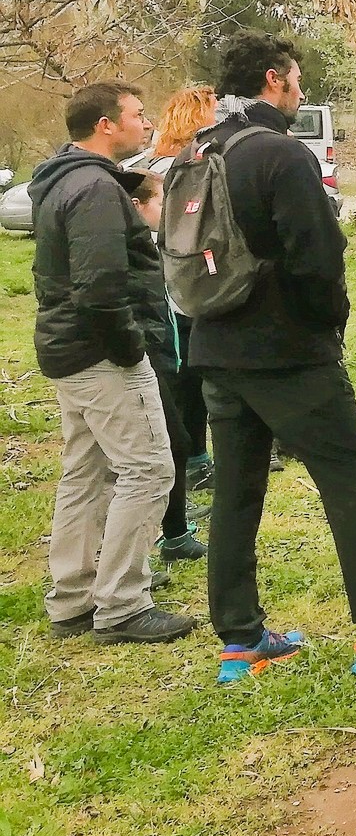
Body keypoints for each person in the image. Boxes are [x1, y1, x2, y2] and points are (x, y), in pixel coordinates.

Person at [189, 31, 356, 684]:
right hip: (289, 353)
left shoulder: (203, 150)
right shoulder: (282, 154)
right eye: (297, 78)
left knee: (236, 491)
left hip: (215, 345)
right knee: (351, 483)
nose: (302, 89)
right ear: (275, 80)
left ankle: (241, 638)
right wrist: (328, 323)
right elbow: (319, 258)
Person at [29, 82, 192, 644]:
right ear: (105, 125)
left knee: (88, 471)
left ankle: (72, 598)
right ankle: (122, 604)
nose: (146, 124)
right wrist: (129, 348)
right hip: (100, 353)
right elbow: (98, 286)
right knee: (150, 469)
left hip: (67, 350)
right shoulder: (94, 189)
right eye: (137, 115)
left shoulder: (63, 180)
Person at [126, 171, 207, 566]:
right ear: (138, 206)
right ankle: (157, 542)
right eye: (160, 202)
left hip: (161, 355)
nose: (166, 210)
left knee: (174, 443)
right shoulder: (132, 248)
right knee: (164, 448)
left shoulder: (150, 245)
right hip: (144, 359)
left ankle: (174, 532)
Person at [147, 85, 218, 493]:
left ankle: (196, 458)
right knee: (187, 378)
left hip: (172, 282)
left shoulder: (154, 161)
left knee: (187, 376)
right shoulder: (183, 165)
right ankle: (194, 462)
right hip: (178, 285)